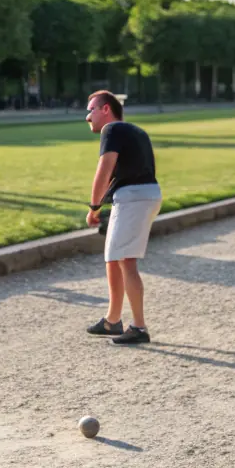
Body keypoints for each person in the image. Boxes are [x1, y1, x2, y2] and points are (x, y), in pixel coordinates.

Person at [84, 91, 163, 345]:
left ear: (106, 109)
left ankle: (139, 327)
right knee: (114, 256)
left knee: (126, 261)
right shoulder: (135, 131)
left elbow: (104, 169)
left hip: (133, 198)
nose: (88, 116)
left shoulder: (112, 129)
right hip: (144, 195)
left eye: (92, 109)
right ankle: (112, 320)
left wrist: (94, 207)